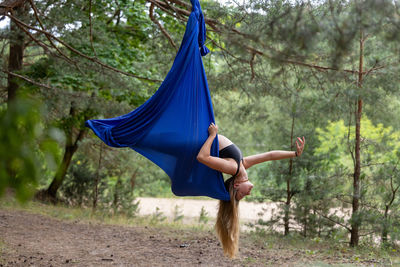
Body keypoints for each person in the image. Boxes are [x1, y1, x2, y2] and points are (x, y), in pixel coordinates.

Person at [196, 122, 305, 258]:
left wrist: (213, 135)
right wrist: (295, 154)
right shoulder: (242, 164)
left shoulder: (232, 167)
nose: (249, 193)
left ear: (236, 185)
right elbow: (270, 155)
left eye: (242, 195)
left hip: (200, 135)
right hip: (202, 133)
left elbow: (202, 157)